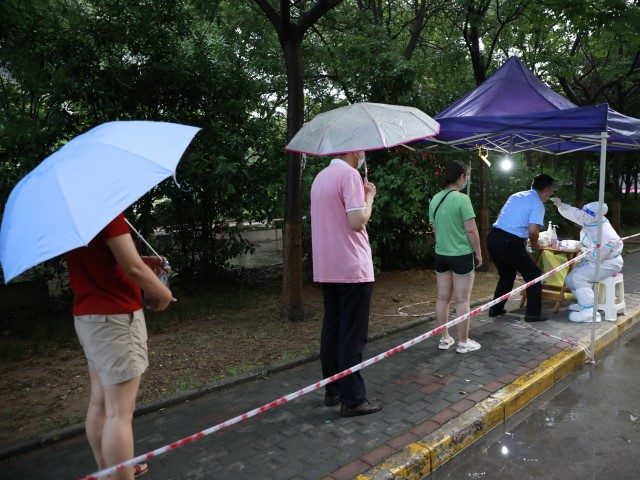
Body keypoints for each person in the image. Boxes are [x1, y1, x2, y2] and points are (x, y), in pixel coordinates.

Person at [66, 213, 174, 480]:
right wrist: (165, 295)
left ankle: (114, 471)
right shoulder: (105, 211)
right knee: (119, 413)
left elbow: (104, 261)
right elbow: (133, 269)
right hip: (115, 320)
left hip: (89, 316)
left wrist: (145, 262)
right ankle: (120, 475)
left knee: (100, 403)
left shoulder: (74, 215)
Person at [310, 150, 382, 417]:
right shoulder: (349, 175)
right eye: (361, 149)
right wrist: (369, 196)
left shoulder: (320, 177)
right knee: (352, 334)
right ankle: (352, 399)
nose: (363, 153)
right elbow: (357, 221)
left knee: (333, 329)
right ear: (354, 150)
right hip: (352, 267)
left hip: (328, 267)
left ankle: (333, 389)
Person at [428, 161, 483, 353]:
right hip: (462, 256)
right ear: (461, 177)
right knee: (462, 300)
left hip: (441, 255)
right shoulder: (462, 199)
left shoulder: (435, 198)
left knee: (443, 298)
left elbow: (435, 228)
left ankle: (445, 339)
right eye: (466, 176)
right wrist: (478, 252)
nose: (466, 180)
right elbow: (471, 229)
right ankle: (463, 342)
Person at [487, 174, 555, 322]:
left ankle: (495, 309)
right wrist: (535, 244)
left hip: (493, 237)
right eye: (551, 191)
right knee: (534, 273)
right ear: (546, 189)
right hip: (509, 241)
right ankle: (532, 314)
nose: (551, 194)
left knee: (507, 275)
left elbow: (500, 216)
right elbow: (533, 230)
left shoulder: (516, 195)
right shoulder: (537, 204)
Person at [550, 198, 624, 322]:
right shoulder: (590, 218)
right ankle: (583, 303)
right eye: (584, 211)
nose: (582, 214)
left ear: (594, 215)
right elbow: (575, 213)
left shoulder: (605, 233)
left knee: (579, 278)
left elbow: (598, 257)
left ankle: (590, 313)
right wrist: (561, 205)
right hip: (594, 259)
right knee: (569, 279)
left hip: (609, 263)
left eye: (586, 213)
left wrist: (582, 248)